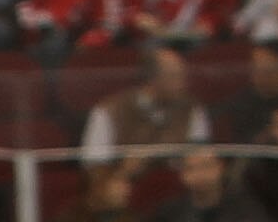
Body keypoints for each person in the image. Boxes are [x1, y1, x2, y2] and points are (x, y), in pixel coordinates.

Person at [79, 42, 210, 162]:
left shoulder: (191, 108)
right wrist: (125, 171)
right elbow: (95, 164)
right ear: (153, 79)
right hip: (126, 183)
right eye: (174, 76)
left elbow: (200, 156)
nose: (183, 83)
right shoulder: (109, 111)